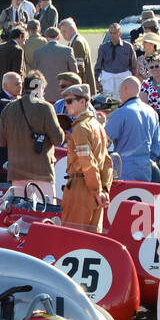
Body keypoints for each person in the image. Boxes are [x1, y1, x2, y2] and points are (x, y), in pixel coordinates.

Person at [0, 71, 64, 195]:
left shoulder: (8, 109)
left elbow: (1, 141)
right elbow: (58, 139)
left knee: (21, 211)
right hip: (42, 171)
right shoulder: (45, 107)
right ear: (39, 88)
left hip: (17, 171)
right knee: (46, 210)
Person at [60, 85, 113, 232]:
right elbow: (108, 162)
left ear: (83, 102)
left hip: (81, 188)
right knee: (91, 240)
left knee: (73, 238)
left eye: (70, 101)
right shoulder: (98, 126)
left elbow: (87, 162)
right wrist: (104, 190)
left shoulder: (81, 128)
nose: (66, 105)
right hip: (95, 188)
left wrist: (98, 191)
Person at [95, 23, 137, 96]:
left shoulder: (128, 47)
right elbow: (98, 66)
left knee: (123, 98)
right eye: (110, 33)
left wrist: (133, 80)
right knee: (107, 101)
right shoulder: (103, 47)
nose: (112, 35)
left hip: (123, 77)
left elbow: (134, 66)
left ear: (120, 33)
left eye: (115, 33)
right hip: (108, 79)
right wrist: (97, 80)